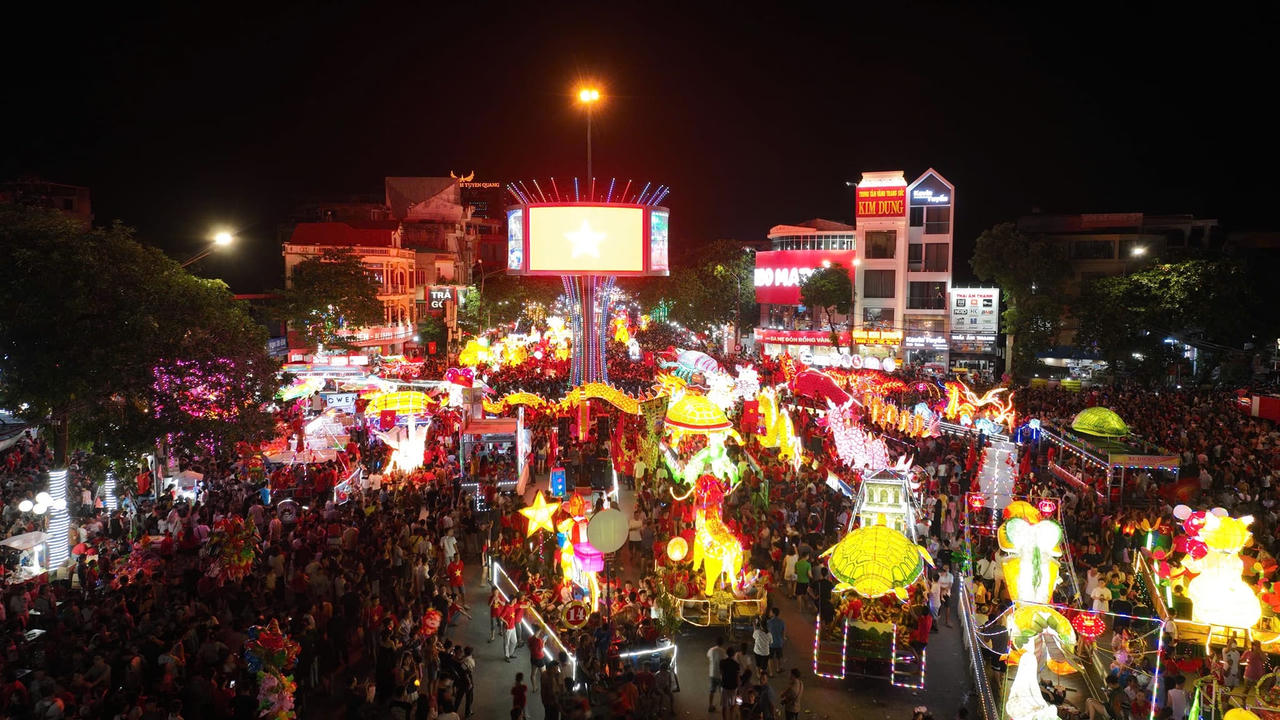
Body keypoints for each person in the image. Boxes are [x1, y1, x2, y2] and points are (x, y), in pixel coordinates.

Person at [720, 646, 742, 720]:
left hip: (725, 686)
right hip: (733, 687)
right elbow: (737, 678)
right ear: (733, 654)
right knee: (732, 705)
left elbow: (721, 673)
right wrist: (739, 689)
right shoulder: (736, 664)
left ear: (727, 653)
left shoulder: (722, 662)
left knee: (724, 706)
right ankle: (731, 718)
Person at [708, 636, 728, 712]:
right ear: (722, 643)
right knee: (722, 691)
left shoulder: (711, 650)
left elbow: (708, 656)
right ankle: (723, 706)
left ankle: (710, 705)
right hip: (720, 675)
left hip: (712, 673)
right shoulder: (723, 651)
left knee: (711, 690)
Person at [767, 607, 786, 675]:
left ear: (774, 613)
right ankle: (778, 669)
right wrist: (783, 639)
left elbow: (767, 632)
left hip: (771, 643)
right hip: (779, 643)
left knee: (770, 658)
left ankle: (771, 673)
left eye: (771, 612)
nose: (770, 613)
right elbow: (783, 633)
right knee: (779, 657)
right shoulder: (782, 622)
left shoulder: (769, 622)